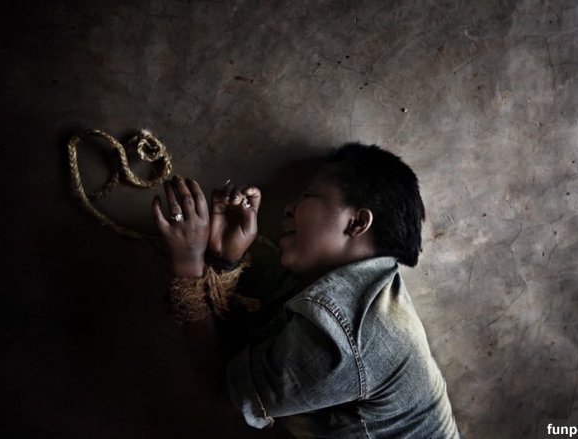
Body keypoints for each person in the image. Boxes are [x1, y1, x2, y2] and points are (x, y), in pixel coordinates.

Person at [152, 143, 461, 438]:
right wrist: (225, 260)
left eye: (309, 195)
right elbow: (249, 347)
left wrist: (187, 265)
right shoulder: (346, 283)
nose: (289, 208)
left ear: (357, 223)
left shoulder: (343, 330)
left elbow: (223, 393)